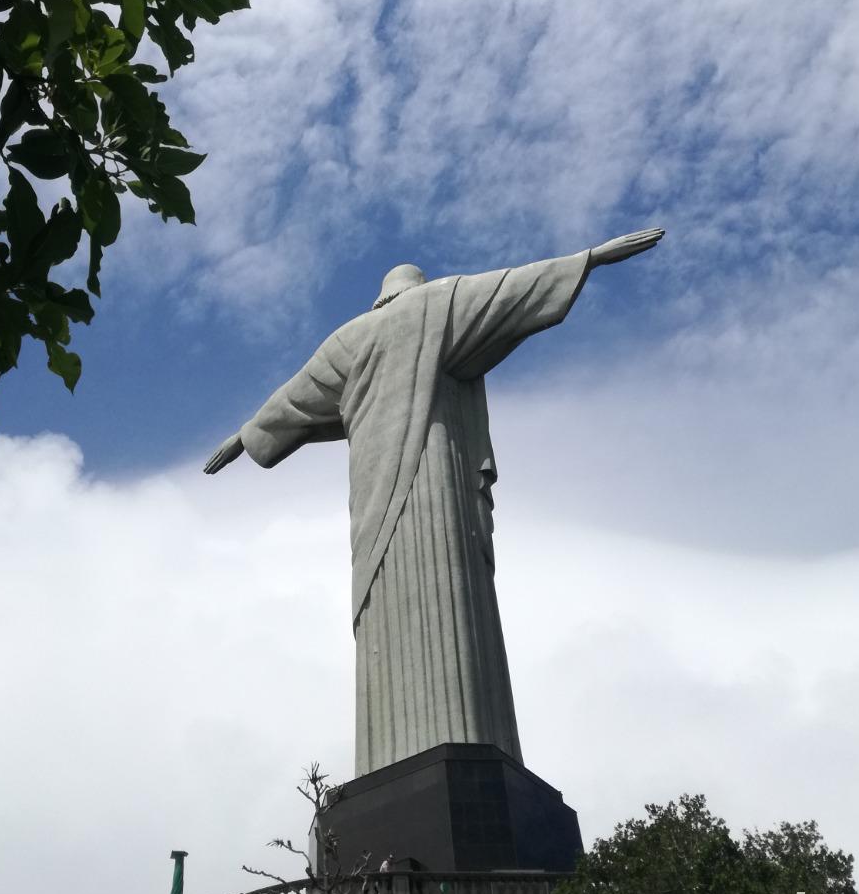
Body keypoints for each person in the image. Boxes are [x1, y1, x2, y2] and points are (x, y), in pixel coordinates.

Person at [205, 230, 663, 776]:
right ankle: (458, 734)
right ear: (417, 288)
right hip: (436, 484)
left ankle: (388, 758)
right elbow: (513, 288)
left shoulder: (348, 340)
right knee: (453, 599)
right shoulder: (440, 303)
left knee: (389, 605)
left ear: (381, 297)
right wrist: (588, 259)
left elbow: (291, 399)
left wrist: (243, 436)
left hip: (373, 499)